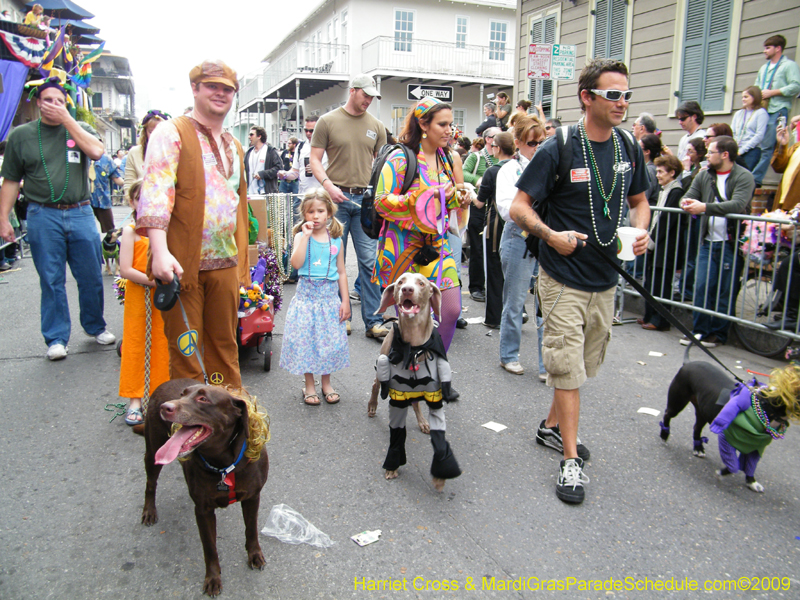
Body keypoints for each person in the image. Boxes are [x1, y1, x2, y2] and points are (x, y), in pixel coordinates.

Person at [509, 59, 651, 504]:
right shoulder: (560, 146)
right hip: (561, 277)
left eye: (626, 94)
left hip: (606, 279)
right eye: (613, 94)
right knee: (567, 368)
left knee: (584, 365)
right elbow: (519, 206)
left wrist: (642, 230)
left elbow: (641, 200)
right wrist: (552, 235)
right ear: (587, 97)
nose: (622, 103)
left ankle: (551, 428)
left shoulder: (630, 146)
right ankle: (570, 461)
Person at [138, 59, 251, 388]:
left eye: (227, 89)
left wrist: (243, 264)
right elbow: (156, 192)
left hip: (225, 264)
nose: (220, 94)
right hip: (181, 265)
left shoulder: (234, 145)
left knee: (224, 348)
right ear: (195, 89)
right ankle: (189, 431)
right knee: (187, 352)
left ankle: (229, 426)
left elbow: (239, 207)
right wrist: (159, 252)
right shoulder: (171, 132)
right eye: (212, 86)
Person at [0, 77, 114, 361]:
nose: (54, 105)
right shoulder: (21, 135)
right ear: (38, 103)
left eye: (60, 101)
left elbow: (97, 152)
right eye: (48, 100)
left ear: (67, 104)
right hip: (42, 213)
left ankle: (95, 326)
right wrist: (3, 219)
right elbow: (11, 180)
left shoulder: (80, 129)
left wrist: (68, 121)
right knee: (51, 279)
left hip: (81, 210)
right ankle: (56, 338)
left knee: (89, 274)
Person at [373, 96, 470, 351]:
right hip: (403, 249)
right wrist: (430, 196)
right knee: (406, 319)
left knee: (451, 310)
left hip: (437, 245)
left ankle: (437, 364)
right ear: (424, 125)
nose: (450, 130)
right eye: (443, 124)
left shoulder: (447, 158)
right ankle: (404, 371)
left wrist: (459, 198)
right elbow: (381, 201)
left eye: (451, 124)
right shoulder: (401, 157)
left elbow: (444, 204)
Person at [309, 73, 388, 339]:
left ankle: (374, 321)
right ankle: (340, 316)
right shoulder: (327, 121)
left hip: (366, 202)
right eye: (365, 95)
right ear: (352, 91)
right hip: (336, 200)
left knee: (369, 261)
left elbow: (384, 165)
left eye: (372, 97)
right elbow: (315, 159)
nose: (369, 100)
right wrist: (328, 186)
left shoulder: (377, 126)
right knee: (334, 261)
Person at [679, 136, 754, 348]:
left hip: (730, 243)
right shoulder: (705, 175)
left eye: (711, 152)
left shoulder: (744, 176)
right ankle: (699, 330)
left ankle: (718, 333)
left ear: (725, 154)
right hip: (707, 240)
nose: (707, 156)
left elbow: (738, 204)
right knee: (701, 286)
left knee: (724, 289)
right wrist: (686, 202)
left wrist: (704, 207)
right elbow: (688, 195)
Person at [280, 188, 350, 405]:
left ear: (329, 212)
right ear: (304, 214)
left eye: (320, 211)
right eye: (311, 212)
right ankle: (309, 385)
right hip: (306, 300)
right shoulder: (302, 236)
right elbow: (296, 264)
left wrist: (345, 301)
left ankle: (326, 383)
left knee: (328, 342)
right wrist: (306, 237)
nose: (316, 216)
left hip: (329, 300)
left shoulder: (336, 239)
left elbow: (341, 271)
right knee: (307, 342)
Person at [495, 116, 547, 380]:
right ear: (517, 143)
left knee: (546, 304)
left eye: (540, 142)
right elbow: (506, 208)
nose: (536, 147)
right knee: (515, 301)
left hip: (547, 237)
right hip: (519, 236)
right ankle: (509, 355)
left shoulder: (549, 166)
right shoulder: (509, 170)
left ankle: (546, 364)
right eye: (531, 143)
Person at [117, 180, 170, 425]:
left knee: (163, 343)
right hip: (140, 297)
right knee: (138, 344)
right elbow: (125, 269)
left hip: (164, 296)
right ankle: (135, 399)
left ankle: (160, 395)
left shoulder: (165, 228)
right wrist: (153, 281)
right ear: (132, 202)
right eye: (140, 199)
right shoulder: (130, 230)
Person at [641, 155, 685, 331]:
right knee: (651, 281)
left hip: (667, 245)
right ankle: (649, 315)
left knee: (661, 283)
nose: (657, 175)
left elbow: (666, 221)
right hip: (658, 242)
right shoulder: (665, 190)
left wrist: (651, 240)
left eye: (660, 171)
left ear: (672, 173)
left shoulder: (676, 192)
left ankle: (661, 320)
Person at [752, 35, 800, 186]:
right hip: (763, 110)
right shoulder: (763, 68)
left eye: (768, 48)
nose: (764, 51)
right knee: (757, 143)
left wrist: (773, 92)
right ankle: (750, 176)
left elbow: (795, 86)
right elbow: (756, 87)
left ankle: (755, 179)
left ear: (778, 48)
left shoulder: (789, 65)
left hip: (779, 109)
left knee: (768, 145)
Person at [478, 132, 514, 330]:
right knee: (514, 270)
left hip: (496, 223)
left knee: (493, 269)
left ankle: (493, 317)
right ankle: (517, 313)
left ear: (497, 148)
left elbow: (480, 202)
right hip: (518, 222)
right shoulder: (520, 168)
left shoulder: (492, 171)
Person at [462, 132, 497, 303]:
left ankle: (493, 287)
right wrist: (481, 180)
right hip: (478, 206)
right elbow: (463, 173)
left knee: (495, 250)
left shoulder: (506, 157)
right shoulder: (476, 157)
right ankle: (476, 287)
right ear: (488, 139)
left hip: (497, 209)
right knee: (477, 247)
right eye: (495, 136)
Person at [124, 109, 169, 198]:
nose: (156, 135)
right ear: (145, 132)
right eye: (151, 132)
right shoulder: (135, 153)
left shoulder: (175, 152)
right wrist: (134, 203)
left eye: (160, 132)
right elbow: (129, 186)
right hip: (142, 206)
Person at [732, 86, 769, 173]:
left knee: (744, 175)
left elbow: (759, 135)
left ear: (755, 97)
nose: (743, 99)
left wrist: (742, 150)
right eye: (742, 97)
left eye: (746, 97)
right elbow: (733, 132)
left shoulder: (761, 113)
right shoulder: (738, 113)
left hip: (751, 151)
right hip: (736, 150)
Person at [771, 115, 800, 212]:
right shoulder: (797, 146)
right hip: (783, 205)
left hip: (796, 210)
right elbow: (778, 167)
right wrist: (782, 145)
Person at [90, 151, 123, 233]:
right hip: (84, 202)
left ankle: (110, 245)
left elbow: (117, 178)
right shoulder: (81, 156)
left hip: (103, 200)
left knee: (111, 231)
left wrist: (131, 185)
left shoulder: (106, 159)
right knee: (85, 232)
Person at [244, 126, 281, 195]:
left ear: (259, 136)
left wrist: (263, 174)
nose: (249, 137)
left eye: (251, 134)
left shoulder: (270, 151)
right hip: (250, 193)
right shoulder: (248, 152)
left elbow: (279, 168)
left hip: (265, 192)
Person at [640, 133, 662, 203]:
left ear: (647, 152)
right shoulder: (656, 167)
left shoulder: (649, 171)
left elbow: (643, 196)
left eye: (639, 148)